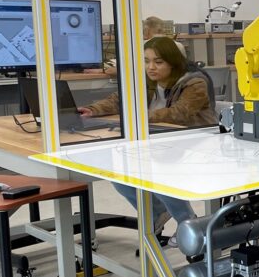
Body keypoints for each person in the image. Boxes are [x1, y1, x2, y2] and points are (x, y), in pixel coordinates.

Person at [80, 36, 217, 237]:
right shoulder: (146, 81)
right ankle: (156, 212)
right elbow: (118, 100)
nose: (150, 67)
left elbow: (179, 113)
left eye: (158, 62)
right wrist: (92, 110)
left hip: (196, 142)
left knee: (155, 169)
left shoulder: (194, 81)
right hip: (160, 141)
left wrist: (136, 116)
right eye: (146, 61)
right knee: (117, 172)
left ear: (173, 62)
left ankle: (187, 222)